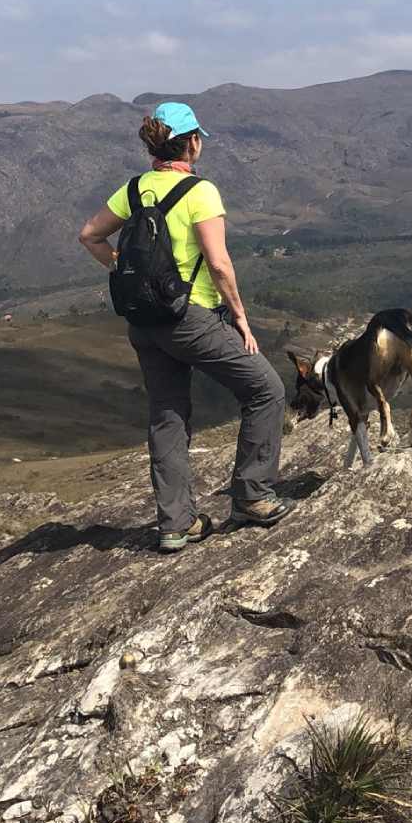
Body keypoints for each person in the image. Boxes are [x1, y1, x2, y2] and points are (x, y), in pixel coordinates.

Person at [78, 101, 290, 552]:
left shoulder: (133, 190)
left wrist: (122, 271)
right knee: (266, 390)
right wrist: (240, 316)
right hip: (190, 317)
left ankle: (176, 524)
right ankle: (252, 496)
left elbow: (89, 235)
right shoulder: (200, 191)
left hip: (144, 321)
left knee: (168, 414)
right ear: (192, 142)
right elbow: (218, 263)